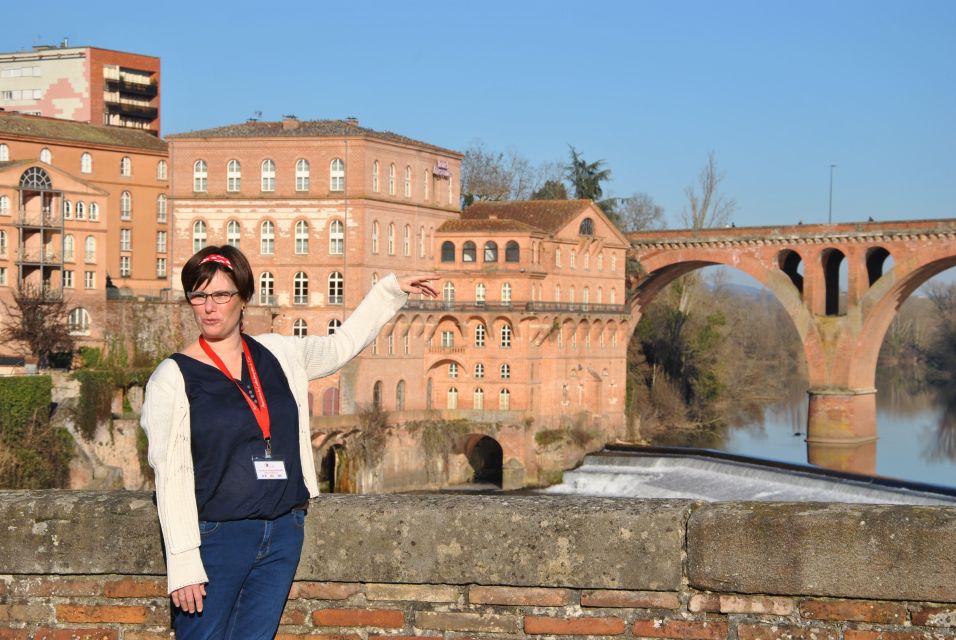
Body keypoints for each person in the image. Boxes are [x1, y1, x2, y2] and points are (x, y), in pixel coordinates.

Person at [140, 245, 438, 639]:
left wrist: (389, 291)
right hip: (218, 537)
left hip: (282, 532)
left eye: (221, 295)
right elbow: (170, 471)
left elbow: (339, 346)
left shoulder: (279, 353)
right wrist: (182, 563)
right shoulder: (172, 377)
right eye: (198, 296)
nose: (209, 307)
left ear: (243, 298)